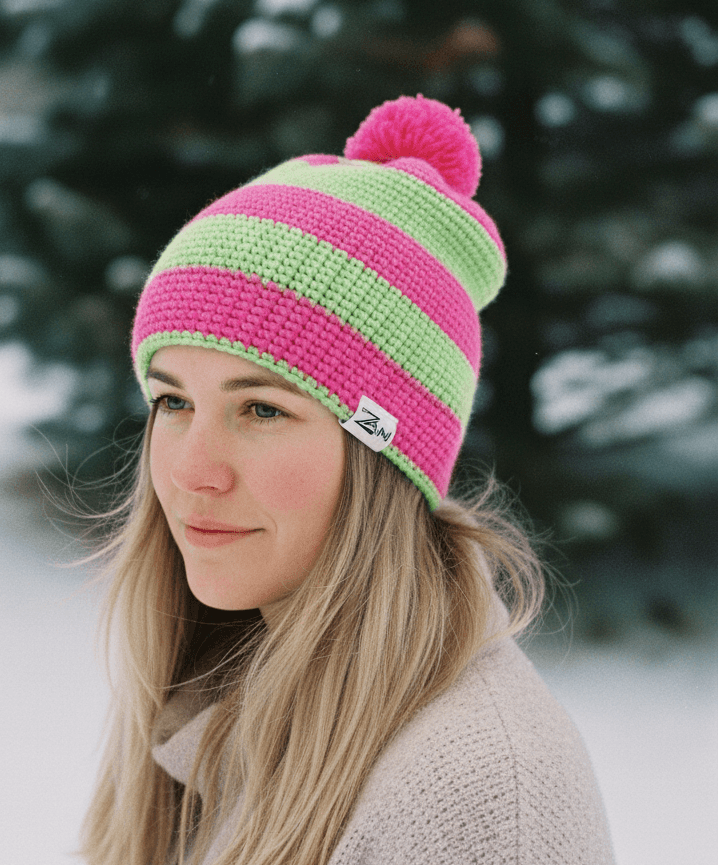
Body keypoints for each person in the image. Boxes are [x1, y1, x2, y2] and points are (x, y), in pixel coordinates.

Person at [80, 95, 615, 865]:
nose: (192, 470)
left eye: (262, 408)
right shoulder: (223, 698)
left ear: (382, 448)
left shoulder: (482, 795)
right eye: (173, 401)